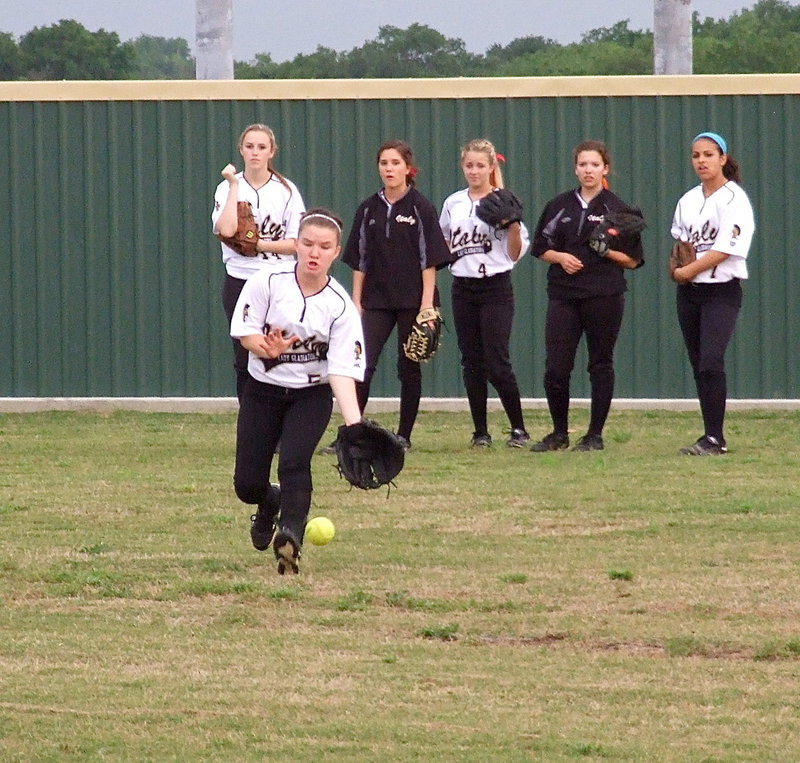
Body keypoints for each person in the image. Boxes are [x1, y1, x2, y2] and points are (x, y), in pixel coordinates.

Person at [230, 208, 365, 575]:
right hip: (263, 390)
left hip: (310, 394)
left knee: (294, 462)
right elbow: (245, 331)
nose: (314, 252)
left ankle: (290, 538)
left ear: (336, 252)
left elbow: (341, 370)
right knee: (246, 483)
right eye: (307, 243)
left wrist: (354, 426)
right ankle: (268, 500)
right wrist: (263, 347)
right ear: (296, 245)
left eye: (324, 246)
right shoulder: (268, 280)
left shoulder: (340, 306)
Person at [339, 139, 454, 451]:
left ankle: (404, 436)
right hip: (376, 300)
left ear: (407, 168)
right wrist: (356, 301)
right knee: (361, 364)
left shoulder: (420, 207)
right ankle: (352, 433)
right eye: (384, 163)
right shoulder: (368, 209)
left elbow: (428, 259)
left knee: (409, 366)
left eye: (394, 163)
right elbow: (359, 258)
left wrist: (427, 305)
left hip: (413, 301)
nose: (388, 168)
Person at [530, 140, 644, 452]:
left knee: (600, 364)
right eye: (582, 164)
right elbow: (539, 247)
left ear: (605, 169)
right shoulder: (559, 205)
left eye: (594, 164)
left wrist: (608, 252)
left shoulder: (617, 209)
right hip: (564, 295)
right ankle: (558, 433)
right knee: (556, 366)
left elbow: (633, 260)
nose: (588, 170)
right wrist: (561, 257)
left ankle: (594, 435)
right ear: (575, 168)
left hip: (604, 295)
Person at [439, 138, 531, 448]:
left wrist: (514, 225)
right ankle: (481, 431)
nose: (474, 171)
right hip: (463, 287)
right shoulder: (453, 203)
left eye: (481, 165)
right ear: (462, 167)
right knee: (471, 361)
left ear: (492, 168)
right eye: (469, 165)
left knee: (497, 360)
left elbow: (515, 254)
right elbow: (444, 243)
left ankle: (518, 428)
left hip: (495, 286)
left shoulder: (503, 201)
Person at [670, 132, 754, 455]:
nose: (701, 160)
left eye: (709, 154)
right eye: (696, 155)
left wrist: (685, 272)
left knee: (710, 360)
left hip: (721, 290)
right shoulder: (688, 200)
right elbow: (682, 244)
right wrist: (677, 265)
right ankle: (710, 435)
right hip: (690, 293)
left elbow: (724, 250)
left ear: (722, 159)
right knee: (698, 362)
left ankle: (716, 439)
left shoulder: (735, 199)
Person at [212, 123, 306, 400]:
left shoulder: (286, 190)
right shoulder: (227, 187)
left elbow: (297, 244)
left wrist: (260, 244)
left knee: (277, 352)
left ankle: (277, 424)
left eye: (261, 147)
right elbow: (226, 231)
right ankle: (251, 426)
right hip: (240, 278)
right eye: (249, 146)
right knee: (244, 356)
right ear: (241, 150)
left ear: (272, 152)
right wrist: (232, 185)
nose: (255, 152)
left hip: (277, 278)